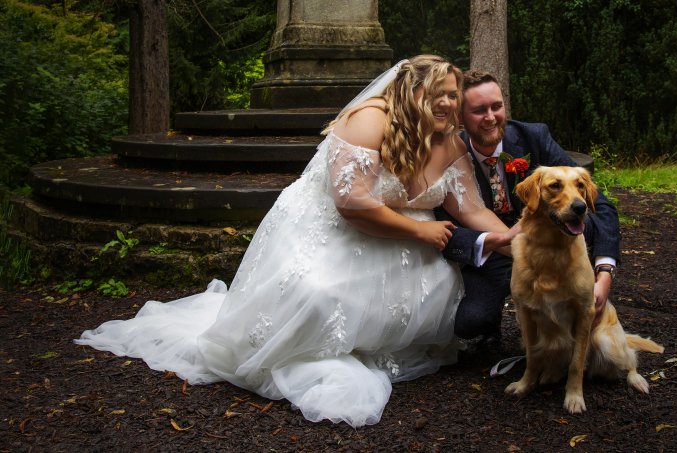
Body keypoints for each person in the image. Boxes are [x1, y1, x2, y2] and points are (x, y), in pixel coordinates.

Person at [75, 56, 516, 428]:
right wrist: (421, 229)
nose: (446, 103)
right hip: (334, 230)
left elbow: (471, 210)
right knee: (317, 297)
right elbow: (353, 205)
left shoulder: (450, 143)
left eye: (452, 95)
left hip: (403, 246)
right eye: (437, 93)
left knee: (440, 290)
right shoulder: (368, 121)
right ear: (409, 92)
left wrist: (515, 240)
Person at [438, 70, 621, 343]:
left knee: (582, 216)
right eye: (479, 110)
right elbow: (445, 229)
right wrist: (493, 241)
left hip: (552, 247)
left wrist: (604, 273)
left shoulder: (534, 137)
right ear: (461, 117)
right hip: (494, 255)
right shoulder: (448, 153)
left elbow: (601, 206)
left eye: (496, 106)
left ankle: (576, 313)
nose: (491, 117)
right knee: (470, 323)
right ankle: (494, 327)